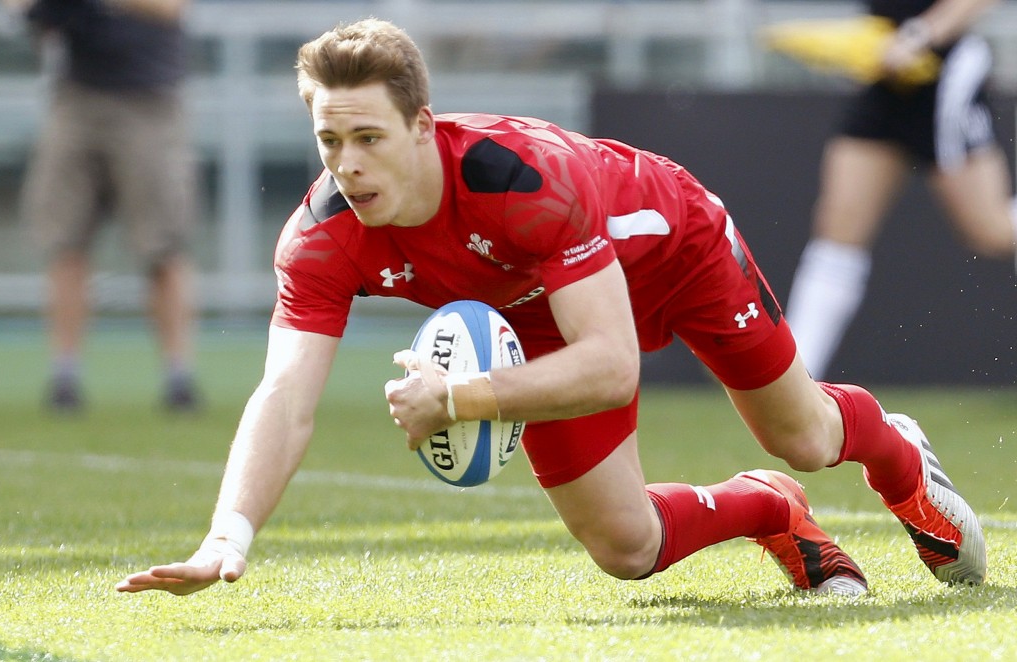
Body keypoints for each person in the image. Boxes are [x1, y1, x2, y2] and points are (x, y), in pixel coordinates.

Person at [116, 18, 986, 598]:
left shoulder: (517, 178)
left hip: (672, 246)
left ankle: (896, 456)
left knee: (804, 435)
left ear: (425, 126)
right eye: (329, 140)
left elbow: (610, 364)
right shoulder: (320, 235)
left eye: (369, 137)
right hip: (542, 309)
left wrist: (459, 398)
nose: (347, 163)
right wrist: (228, 536)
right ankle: (769, 509)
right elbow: (284, 396)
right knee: (625, 550)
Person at [784, 0, 1016, 381]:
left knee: (990, 230)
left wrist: (919, 35)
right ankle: (794, 380)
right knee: (839, 229)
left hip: (943, 72)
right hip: (886, 74)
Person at [17, 0, 201, 411]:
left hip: (149, 103)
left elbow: (171, 9)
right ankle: (64, 376)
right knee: (65, 242)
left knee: (163, 247)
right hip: (76, 99)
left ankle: (179, 378)